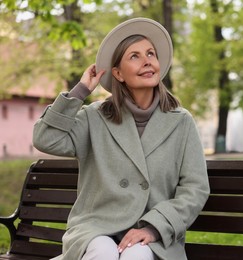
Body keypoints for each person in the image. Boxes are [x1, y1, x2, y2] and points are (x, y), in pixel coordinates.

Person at [33, 17, 210, 260]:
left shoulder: (181, 121)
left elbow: (195, 188)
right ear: (118, 73)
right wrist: (81, 91)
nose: (147, 61)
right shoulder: (95, 117)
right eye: (134, 56)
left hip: (153, 234)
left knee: (136, 254)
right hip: (96, 228)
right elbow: (45, 138)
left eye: (151, 53)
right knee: (103, 251)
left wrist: (154, 227)